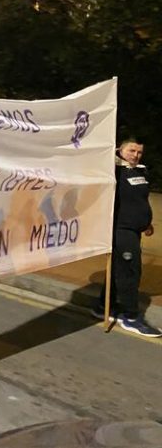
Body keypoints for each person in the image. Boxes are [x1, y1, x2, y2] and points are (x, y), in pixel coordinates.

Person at [93, 139, 161, 337]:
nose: (136, 155)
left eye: (140, 152)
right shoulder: (113, 171)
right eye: (132, 150)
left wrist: (145, 223)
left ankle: (102, 306)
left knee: (118, 269)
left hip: (135, 230)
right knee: (130, 272)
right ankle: (131, 317)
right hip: (120, 230)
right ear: (120, 150)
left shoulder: (140, 170)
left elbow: (138, 200)